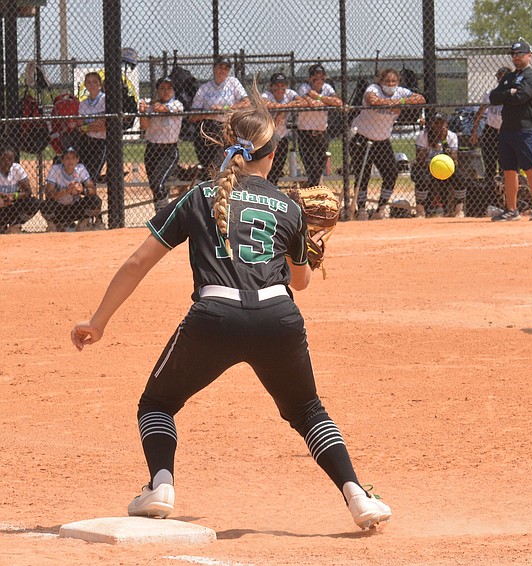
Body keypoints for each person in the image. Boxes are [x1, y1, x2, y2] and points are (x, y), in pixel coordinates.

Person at [69, 88, 392, 530]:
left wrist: (98, 321)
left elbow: (138, 261)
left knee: (156, 405)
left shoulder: (200, 195)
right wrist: (311, 250)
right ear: (272, 156)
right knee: (308, 411)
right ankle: (357, 495)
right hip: (279, 317)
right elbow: (300, 283)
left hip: (214, 319)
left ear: (227, 148)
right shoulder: (288, 207)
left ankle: (161, 484)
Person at [351, 67, 426, 220]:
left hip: (382, 140)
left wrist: (401, 101)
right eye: (387, 81)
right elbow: (373, 100)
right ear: (380, 81)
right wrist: (393, 104)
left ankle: (381, 208)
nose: (390, 84)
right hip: (362, 137)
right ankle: (362, 209)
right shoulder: (374, 88)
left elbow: (421, 99)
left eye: (394, 81)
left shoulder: (400, 92)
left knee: (391, 173)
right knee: (362, 175)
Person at [489, 39, 532, 222]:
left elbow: (521, 97)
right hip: (507, 129)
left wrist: (510, 94)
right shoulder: (509, 77)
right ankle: (511, 210)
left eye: (520, 54)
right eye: (513, 54)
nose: (516, 58)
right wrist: (509, 92)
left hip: (525, 129)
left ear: (529, 55)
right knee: (508, 170)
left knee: (530, 169)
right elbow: (493, 97)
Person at [190, 56, 249, 175]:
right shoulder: (204, 88)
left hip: (230, 126)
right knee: (214, 162)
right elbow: (192, 117)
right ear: (214, 68)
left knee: (228, 160)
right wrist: (208, 113)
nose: (223, 71)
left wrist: (224, 108)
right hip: (210, 127)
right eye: (220, 67)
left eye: (226, 68)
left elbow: (247, 103)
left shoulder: (233, 83)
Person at [139, 76, 183, 213]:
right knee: (155, 185)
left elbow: (162, 108)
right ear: (157, 90)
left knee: (158, 183)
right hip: (152, 148)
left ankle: (164, 213)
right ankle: (161, 214)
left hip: (169, 151)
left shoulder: (177, 104)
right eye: (162, 88)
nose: (165, 91)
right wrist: (143, 112)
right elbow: (143, 126)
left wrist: (151, 105)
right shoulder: (152, 106)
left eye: (169, 88)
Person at [296, 64, 342, 188]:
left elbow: (338, 102)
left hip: (322, 133)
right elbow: (310, 103)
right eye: (316, 78)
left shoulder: (326, 88)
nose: (319, 81)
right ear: (310, 78)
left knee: (320, 166)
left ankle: (313, 189)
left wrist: (319, 97)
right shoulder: (304, 87)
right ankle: (314, 190)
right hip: (305, 133)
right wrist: (325, 102)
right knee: (312, 166)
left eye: (322, 77)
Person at [470, 66, 509, 208]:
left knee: (506, 167)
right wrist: (474, 131)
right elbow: (480, 112)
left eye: (504, 77)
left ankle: (506, 202)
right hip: (490, 131)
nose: (501, 79)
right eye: (499, 77)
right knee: (490, 167)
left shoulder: (512, 94)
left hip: (506, 132)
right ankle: (490, 200)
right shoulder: (490, 94)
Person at [411, 113, 463, 217]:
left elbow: (453, 159)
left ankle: (459, 210)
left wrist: (444, 141)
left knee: (460, 177)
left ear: (446, 124)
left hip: (445, 168)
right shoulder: (423, 135)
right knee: (422, 178)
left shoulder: (451, 136)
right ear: (431, 124)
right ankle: (420, 211)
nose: (439, 126)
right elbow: (420, 160)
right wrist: (435, 164)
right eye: (436, 123)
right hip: (427, 167)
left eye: (441, 123)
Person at [41, 146, 104, 232]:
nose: (70, 161)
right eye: (67, 158)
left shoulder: (80, 168)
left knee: (95, 200)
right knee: (46, 205)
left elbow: (93, 189)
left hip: (75, 207)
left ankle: (84, 224)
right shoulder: (56, 169)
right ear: (62, 160)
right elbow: (48, 193)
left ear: (77, 160)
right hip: (59, 208)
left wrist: (83, 190)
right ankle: (54, 225)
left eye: (73, 158)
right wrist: (66, 191)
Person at [262, 73, 305, 184]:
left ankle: (273, 189)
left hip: (282, 138)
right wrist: (285, 108)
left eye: (283, 85)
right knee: (266, 169)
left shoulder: (290, 93)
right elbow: (265, 103)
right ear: (271, 86)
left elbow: (301, 102)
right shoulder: (267, 94)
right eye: (277, 85)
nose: (280, 89)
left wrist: (283, 109)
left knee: (278, 168)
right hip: (268, 137)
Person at [76, 72, 107, 183]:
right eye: (88, 82)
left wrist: (86, 127)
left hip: (102, 142)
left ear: (100, 84)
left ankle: (92, 199)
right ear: (85, 85)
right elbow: (80, 125)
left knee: (91, 176)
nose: (92, 85)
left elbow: (102, 126)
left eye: (95, 82)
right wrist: (91, 126)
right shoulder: (83, 103)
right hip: (87, 142)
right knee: (82, 174)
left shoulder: (105, 100)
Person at [0, 148, 39, 234]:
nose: (7, 162)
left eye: (10, 159)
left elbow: (28, 191)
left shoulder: (16, 168)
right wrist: (2, 197)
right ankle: (1, 227)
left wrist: (15, 195)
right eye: (3, 159)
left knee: (33, 202)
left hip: (13, 204)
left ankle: (14, 226)